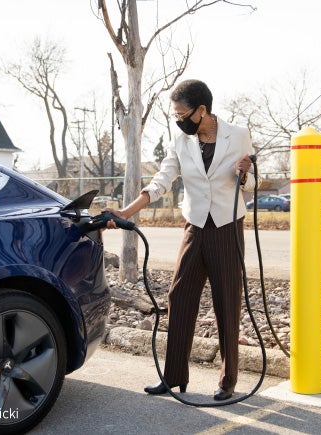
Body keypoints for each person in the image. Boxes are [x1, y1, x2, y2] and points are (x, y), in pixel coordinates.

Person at [105, 79, 258, 401]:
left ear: (202, 110)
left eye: (182, 113)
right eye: (174, 114)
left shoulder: (238, 134)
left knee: (226, 303)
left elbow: (253, 182)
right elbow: (162, 181)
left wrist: (245, 172)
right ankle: (174, 376)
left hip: (227, 227)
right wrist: (126, 212)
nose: (178, 120)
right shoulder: (181, 139)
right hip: (195, 226)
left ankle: (227, 381)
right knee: (179, 296)